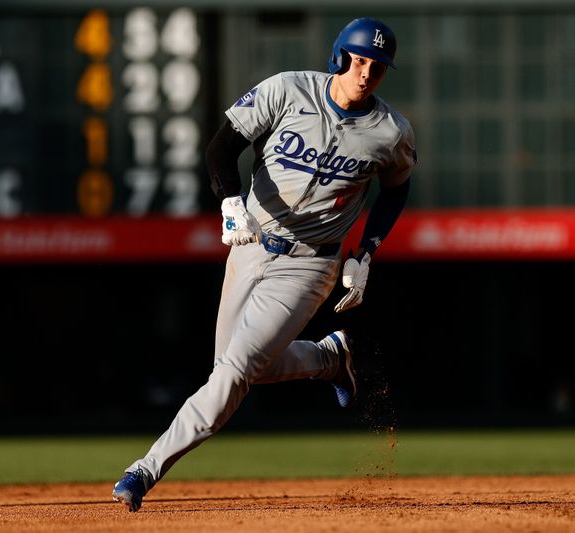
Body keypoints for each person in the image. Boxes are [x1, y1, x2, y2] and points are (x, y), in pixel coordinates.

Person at [112, 16, 416, 512]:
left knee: (232, 373)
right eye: (359, 60)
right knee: (229, 369)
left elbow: (396, 191)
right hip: (251, 242)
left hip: (309, 266)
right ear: (340, 56)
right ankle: (328, 359)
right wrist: (230, 201)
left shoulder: (389, 132)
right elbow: (222, 145)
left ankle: (144, 470)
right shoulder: (288, 90)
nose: (366, 73)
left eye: (377, 67)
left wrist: (367, 252)